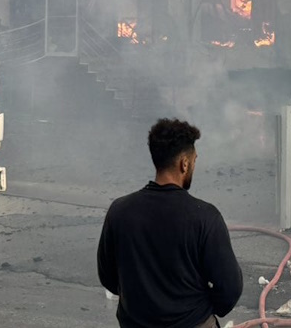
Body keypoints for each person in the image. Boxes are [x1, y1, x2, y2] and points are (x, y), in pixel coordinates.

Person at [97, 118, 243, 328]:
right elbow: (230, 288)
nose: (193, 166)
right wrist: (203, 309)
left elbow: (108, 276)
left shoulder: (119, 211)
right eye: (194, 161)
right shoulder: (205, 217)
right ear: (184, 163)